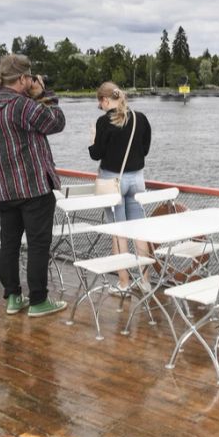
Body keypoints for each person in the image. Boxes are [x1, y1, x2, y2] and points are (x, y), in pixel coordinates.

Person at [0, 54, 68, 317]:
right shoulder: (21, 105)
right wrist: (44, 94)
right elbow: (56, 122)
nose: (32, 80)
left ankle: (13, 297)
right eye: (29, 77)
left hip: (3, 188)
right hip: (32, 187)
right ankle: (38, 301)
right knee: (38, 245)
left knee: (9, 243)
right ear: (22, 79)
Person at [88, 82, 152, 293]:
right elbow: (145, 149)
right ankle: (145, 281)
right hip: (137, 179)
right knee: (139, 230)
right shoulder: (140, 118)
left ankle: (124, 283)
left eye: (101, 104)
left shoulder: (103, 122)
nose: (101, 108)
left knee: (119, 232)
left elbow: (96, 154)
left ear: (105, 100)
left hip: (112, 181)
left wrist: (93, 140)